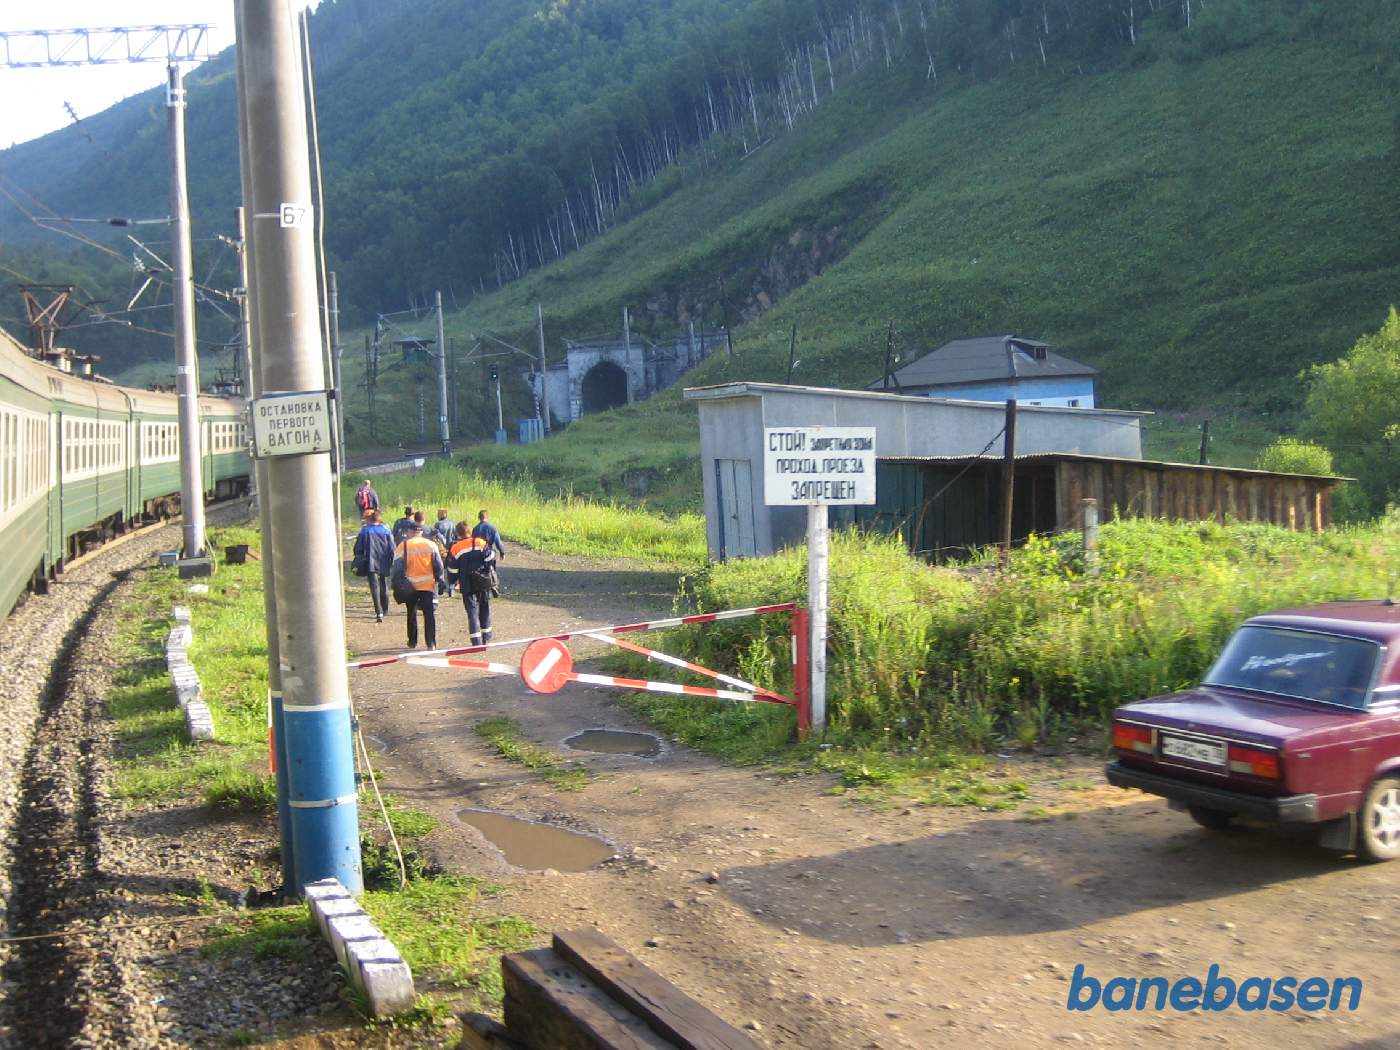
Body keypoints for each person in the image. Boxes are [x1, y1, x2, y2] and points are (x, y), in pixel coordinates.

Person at [391, 519, 444, 649]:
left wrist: (395, 584)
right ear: (420, 532)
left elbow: (397, 568)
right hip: (427, 585)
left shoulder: (402, 546)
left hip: (410, 586)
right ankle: (431, 643)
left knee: (411, 613)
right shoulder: (431, 545)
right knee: (429, 614)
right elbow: (438, 565)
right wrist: (439, 580)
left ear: (409, 532)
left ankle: (412, 641)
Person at [448, 532, 498, 645]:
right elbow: (490, 558)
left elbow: (452, 570)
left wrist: (452, 582)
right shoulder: (480, 542)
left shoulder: (456, 547)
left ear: (459, 535)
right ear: (470, 533)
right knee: (485, 607)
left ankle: (476, 641)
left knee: (472, 612)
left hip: (466, 584)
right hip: (483, 581)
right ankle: (487, 637)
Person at [352, 509, 395, 622]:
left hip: (371, 561)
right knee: (384, 584)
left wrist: (358, 558)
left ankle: (378, 612)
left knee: (374, 586)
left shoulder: (365, 531)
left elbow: (358, 549)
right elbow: (392, 547)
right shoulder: (386, 529)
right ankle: (385, 609)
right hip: (384, 561)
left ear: (370, 518)